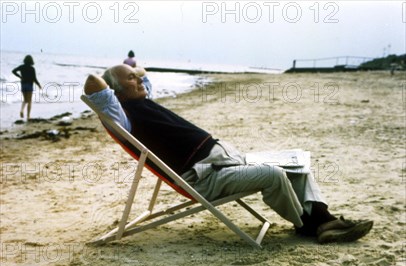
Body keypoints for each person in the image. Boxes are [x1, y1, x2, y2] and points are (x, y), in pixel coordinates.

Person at [84, 64, 373, 244]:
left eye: (136, 77)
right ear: (117, 93)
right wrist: (115, 79)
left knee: (298, 163)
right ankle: (310, 226)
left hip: (227, 161)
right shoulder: (122, 115)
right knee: (274, 175)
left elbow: (143, 76)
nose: (140, 81)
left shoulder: (142, 99)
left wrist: (130, 73)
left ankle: (325, 218)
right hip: (206, 178)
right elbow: (93, 82)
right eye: (132, 80)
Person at [12, 55, 42, 121]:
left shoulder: (21, 67)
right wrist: (39, 85)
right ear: (31, 61)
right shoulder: (32, 68)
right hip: (29, 85)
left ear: (25, 60)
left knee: (25, 100)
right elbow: (34, 78)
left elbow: (13, 71)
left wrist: (20, 76)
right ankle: (28, 116)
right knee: (29, 101)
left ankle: (22, 110)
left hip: (23, 84)